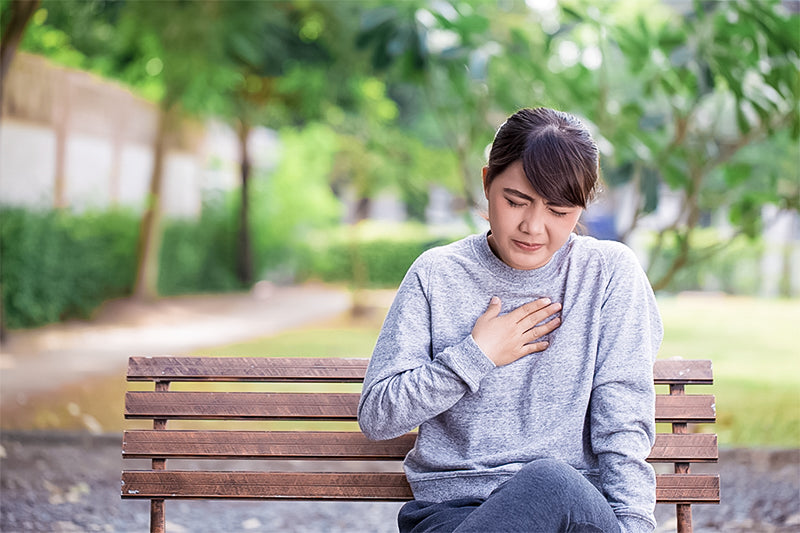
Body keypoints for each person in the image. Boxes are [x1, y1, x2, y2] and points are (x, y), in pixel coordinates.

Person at [357, 107, 663, 533]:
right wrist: (474, 356)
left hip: (573, 518)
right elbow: (377, 416)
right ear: (486, 183)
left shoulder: (608, 274)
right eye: (516, 201)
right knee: (548, 481)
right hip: (454, 516)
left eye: (558, 211)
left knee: (552, 482)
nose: (533, 227)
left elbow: (623, 425)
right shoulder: (438, 274)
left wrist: (632, 526)